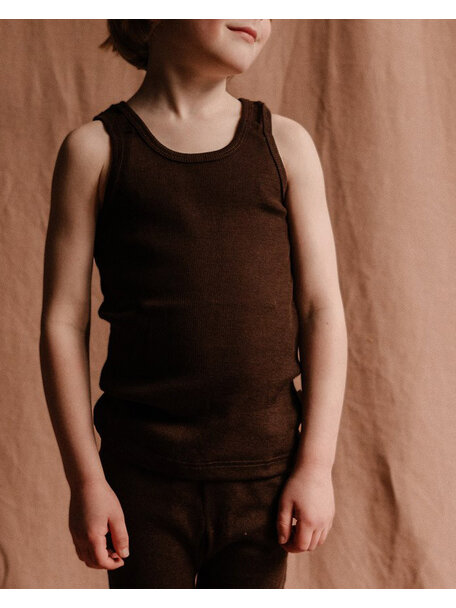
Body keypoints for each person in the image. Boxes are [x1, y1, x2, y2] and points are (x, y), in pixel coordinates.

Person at [39, 19, 347, 589]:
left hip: (265, 481)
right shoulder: (95, 150)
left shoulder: (285, 145)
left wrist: (317, 465)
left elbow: (321, 310)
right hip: (140, 481)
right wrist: (86, 481)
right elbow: (62, 322)